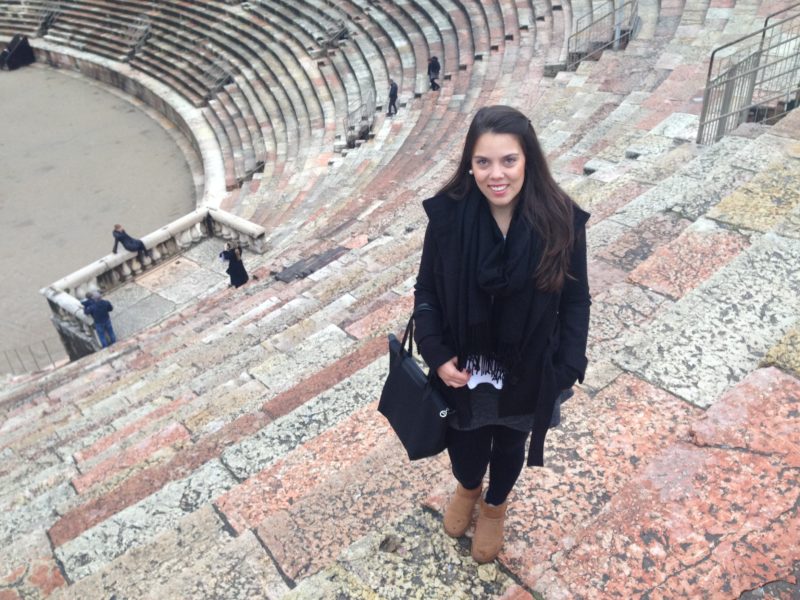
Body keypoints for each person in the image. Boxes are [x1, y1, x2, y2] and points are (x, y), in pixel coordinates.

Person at [413, 105, 590, 564]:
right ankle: (469, 488)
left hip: (528, 369)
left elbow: (576, 301)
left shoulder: (561, 220)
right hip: (464, 369)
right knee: (466, 446)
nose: (496, 174)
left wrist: (568, 366)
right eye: (483, 162)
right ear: (469, 164)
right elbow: (426, 289)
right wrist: (435, 353)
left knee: (511, 444)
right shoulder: (448, 217)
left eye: (508, 160)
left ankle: (494, 507)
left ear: (528, 159)